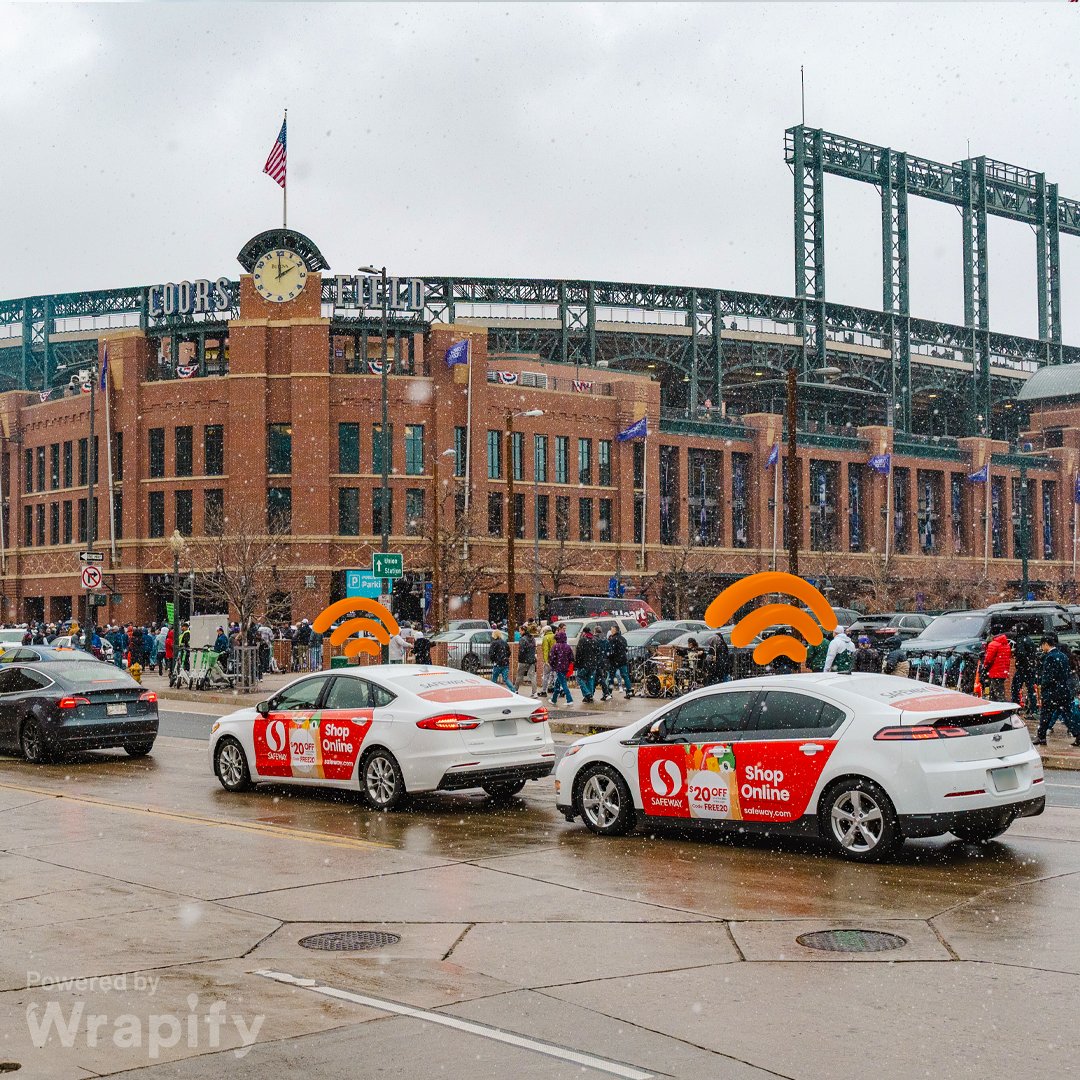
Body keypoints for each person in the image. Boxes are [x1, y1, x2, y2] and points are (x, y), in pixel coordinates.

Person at [1035, 633, 1073, 745]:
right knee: (1068, 715)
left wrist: (1043, 687)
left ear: (1046, 644)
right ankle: (1077, 734)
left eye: (1042, 645)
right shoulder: (1063, 656)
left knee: (1045, 715)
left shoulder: (1050, 657)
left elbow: (1048, 677)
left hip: (1052, 692)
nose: (1042, 648)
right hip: (1063, 690)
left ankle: (1041, 737)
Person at [1010, 629, 1038, 712]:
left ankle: (1015, 707)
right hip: (1030, 667)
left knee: (1015, 688)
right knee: (1031, 689)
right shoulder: (1030, 640)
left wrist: (1017, 657)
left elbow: (1021, 653)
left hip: (1023, 668)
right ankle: (1033, 708)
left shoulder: (1020, 640)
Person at [981, 630, 1012, 701]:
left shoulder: (993, 644)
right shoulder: (1006, 644)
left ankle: (1004, 709)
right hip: (1002, 671)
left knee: (998, 693)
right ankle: (995, 708)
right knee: (993, 691)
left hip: (995, 672)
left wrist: (985, 666)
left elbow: (988, 659)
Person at [574, 628, 600, 703]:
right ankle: (590, 695)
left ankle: (587, 694)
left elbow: (578, 653)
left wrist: (577, 663)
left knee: (579, 678)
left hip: (584, 664)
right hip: (593, 664)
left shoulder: (582, 640)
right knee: (590, 679)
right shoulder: (595, 640)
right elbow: (598, 652)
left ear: (584, 632)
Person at [549, 629, 574, 705]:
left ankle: (569, 699)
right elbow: (571, 658)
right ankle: (554, 699)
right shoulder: (568, 647)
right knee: (558, 683)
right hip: (565, 668)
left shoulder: (555, 646)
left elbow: (552, 658)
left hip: (558, 667)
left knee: (563, 684)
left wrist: (553, 665)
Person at [608, 624, 634, 698]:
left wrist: (609, 657)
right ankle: (629, 691)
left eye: (612, 629)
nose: (611, 631)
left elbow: (611, 651)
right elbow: (626, 649)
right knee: (625, 676)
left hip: (614, 661)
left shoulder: (612, 640)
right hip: (623, 660)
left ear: (615, 630)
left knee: (611, 677)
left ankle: (609, 692)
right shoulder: (623, 638)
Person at [516, 624, 538, 694]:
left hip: (523, 660)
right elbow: (534, 648)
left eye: (520, 631)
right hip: (532, 660)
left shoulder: (522, 639)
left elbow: (521, 651)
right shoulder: (533, 638)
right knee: (532, 676)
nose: (519, 632)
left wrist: (520, 659)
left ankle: (515, 690)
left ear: (523, 631)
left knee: (519, 676)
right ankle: (534, 693)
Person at [539, 624, 556, 697]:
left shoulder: (546, 638)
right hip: (556, 659)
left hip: (549, 659)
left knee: (546, 675)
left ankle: (543, 691)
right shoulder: (555, 636)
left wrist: (546, 661)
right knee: (554, 675)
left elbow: (546, 650)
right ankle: (555, 688)